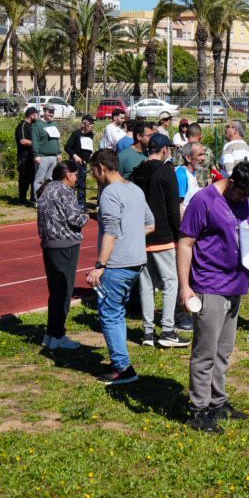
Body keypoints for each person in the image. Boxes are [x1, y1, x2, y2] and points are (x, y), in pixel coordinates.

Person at [178, 160, 249, 432]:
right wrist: (185, 286)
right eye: (240, 194)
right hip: (209, 284)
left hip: (236, 283)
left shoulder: (248, 200)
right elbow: (185, 243)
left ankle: (218, 401)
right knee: (205, 351)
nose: (243, 200)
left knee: (224, 351)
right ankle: (199, 409)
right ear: (231, 181)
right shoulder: (204, 200)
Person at [88, 147, 151, 387]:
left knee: (109, 314)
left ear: (101, 168)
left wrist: (100, 265)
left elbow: (112, 231)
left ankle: (123, 368)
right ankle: (120, 361)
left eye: (94, 172)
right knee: (118, 311)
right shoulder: (134, 189)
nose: (94, 177)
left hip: (117, 263)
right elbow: (150, 223)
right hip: (136, 261)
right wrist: (131, 235)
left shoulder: (109, 193)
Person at [131, 132, 185, 349]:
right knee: (171, 282)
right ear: (164, 150)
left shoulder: (136, 172)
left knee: (146, 284)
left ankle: (148, 332)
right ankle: (168, 329)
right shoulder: (166, 172)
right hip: (163, 235)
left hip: (141, 235)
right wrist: (179, 234)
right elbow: (173, 208)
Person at [37, 159, 89, 352]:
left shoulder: (47, 189)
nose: (76, 179)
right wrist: (87, 215)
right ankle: (58, 335)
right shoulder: (65, 191)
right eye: (76, 175)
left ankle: (51, 334)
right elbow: (75, 218)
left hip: (49, 243)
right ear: (68, 174)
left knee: (55, 291)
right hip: (65, 244)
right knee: (65, 291)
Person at [65, 114, 98, 207]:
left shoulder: (90, 134)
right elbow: (67, 147)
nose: (92, 125)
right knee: (73, 183)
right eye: (90, 123)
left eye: (92, 123)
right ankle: (70, 204)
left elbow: (88, 147)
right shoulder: (76, 134)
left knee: (82, 183)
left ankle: (81, 203)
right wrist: (75, 156)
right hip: (75, 163)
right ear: (84, 124)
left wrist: (91, 154)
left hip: (84, 163)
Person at [31, 106, 63, 198]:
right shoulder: (37, 125)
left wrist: (59, 153)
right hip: (42, 157)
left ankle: (47, 199)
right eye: (49, 112)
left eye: (52, 112)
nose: (51, 114)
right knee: (39, 180)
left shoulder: (54, 124)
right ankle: (38, 199)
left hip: (54, 157)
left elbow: (57, 140)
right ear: (44, 111)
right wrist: (36, 155)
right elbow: (35, 141)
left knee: (50, 180)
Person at [15, 107, 39, 205]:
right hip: (24, 156)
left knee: (34, 178)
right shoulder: (23, 125)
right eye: (37, 114)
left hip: (33, 156)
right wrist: (36, 143)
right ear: (31, 115)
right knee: (24, 178)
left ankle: (34, 197)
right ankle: (22, 199)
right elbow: (23, 141)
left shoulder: (33, 125)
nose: (38, 116)